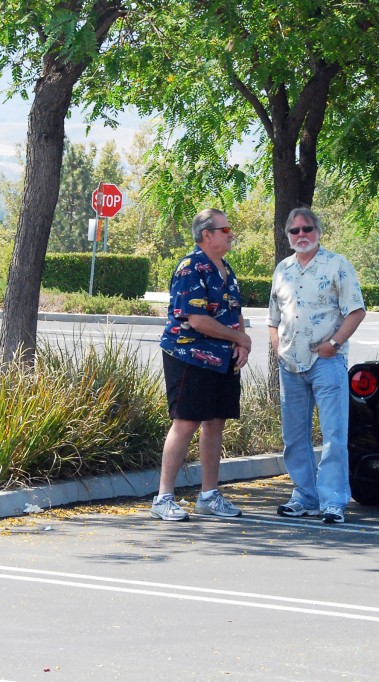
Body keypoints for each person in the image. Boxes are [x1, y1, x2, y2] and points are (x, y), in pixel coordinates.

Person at [150, 208, 252, 521]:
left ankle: (209, 496)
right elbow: (197, 320)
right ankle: (163, 498)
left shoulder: (226, 269)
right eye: (225, 229)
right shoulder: (190, 267)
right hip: (189, 355)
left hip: (222, 360)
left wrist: (241, 342)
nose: (231, 234)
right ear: (207, 235)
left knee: (216, 422)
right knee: (186, 422)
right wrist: (240, 339)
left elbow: (235, 311)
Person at [269, 207, 366, 524]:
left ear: (318, 232)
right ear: (288, 235)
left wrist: (333, 344)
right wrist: (277, 349)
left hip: (327, 361)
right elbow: (273, 319)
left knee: (334, 435)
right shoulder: (282, 269)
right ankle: (305, 497)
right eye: (294, 231)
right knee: (294, 436)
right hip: (290, 364)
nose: (301, 235)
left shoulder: (337, 265)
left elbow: (356, 311)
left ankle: (333, 501)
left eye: (307, 229)